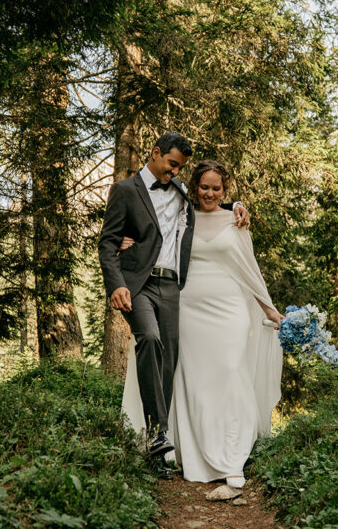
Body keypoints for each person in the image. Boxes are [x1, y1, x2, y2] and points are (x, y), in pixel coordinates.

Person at [121, 160, 283, 491]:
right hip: (189, 307)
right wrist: (131, 244)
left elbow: (250, 270)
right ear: (195, 187)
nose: (210, 193)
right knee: (192, 380)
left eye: (217, 188)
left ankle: (231, 457)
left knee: (230, 372)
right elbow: (155, 238)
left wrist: (270, 311)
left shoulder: (236, 221)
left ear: (226, 191)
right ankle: (189, 452)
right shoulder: (182, 216)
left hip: (230, 310)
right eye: (204, 187)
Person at [98, 133, 249, 479]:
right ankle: (157, 433)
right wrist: (116, 285)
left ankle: (157, 448)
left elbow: (208, 206)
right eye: (172, 164)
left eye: (179, 167)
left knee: (169, 360)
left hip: (171, 286)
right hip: (137, 284)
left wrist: (236, 206)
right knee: (149, 339)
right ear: (155, 154)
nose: (175, 172)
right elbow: (107, 244)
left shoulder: (181, 191)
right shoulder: (125, 190)